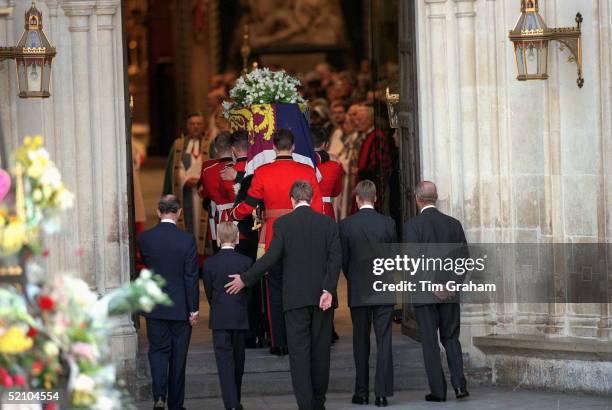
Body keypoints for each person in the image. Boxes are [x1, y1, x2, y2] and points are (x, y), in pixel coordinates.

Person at [226, 180, 342, 410]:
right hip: (323, 298)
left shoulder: (283, 225)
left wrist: (245, 278)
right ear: (309, 198)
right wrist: (328, 289)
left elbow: (270, 258)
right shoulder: (328, 224)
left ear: (292, 199)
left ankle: (306, 406)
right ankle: (319, 403)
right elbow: (335, 259)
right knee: (321, 354)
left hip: (295, 299)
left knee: (299, 355)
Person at [232, 129, 324, 356]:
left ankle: (279, 342)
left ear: (273, 147)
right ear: (293, 147)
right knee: (303, 286)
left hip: (273, 234)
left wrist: (235, 214)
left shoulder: (263, 172)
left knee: (274, 289)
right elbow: (318, 207)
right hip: (302, 233)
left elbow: (250, 203)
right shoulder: (306, 170)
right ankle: (300, 339)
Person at [403, 181, 470, 402]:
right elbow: (464, 260)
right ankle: (460, 386)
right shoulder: (454, 224)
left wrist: (433, 287)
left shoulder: (413, 226)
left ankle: (438, 392)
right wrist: (451, 285)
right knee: (451, 339)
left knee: (430, 343)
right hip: (450, 295)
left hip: (425, 295)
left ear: (417, 200)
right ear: (436, 198)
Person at [137, 195, 200, 410]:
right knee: (178, 356)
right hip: (181, 308)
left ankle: (159, 396)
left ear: (158, 211)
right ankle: (176, 404)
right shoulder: (187, 240)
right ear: (179, 213)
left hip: (155, 306)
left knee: (157, 352)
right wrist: (193, 309)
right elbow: (190, 277)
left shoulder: (145, 239)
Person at [339, 180, 396, 407]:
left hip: (359, 289)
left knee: (360, 342)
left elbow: (344, 260)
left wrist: (353, 277)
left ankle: (361, 393)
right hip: (384, 288)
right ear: (375, 198)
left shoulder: (346, 225)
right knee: (384, 341)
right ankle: (381, 394)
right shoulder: (388, 223)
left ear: (356, 198)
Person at [220, 130, 266, 348]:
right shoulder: (262, 167)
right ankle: (262, 328)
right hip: (263, 232)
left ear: (233, 150)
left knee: (244, 282)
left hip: (243, 233)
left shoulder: (231, 170)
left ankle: (248, 331)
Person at [203, 222, 252, 410]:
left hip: (220, 318)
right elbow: (250, 293)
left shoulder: (209, 263)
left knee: (224, 363)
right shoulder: (245, 262)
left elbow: (208, 291)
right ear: (237, 238)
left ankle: (232, 403)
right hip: (239, 317)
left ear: (218, 238)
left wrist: (217, 306)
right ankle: (234, 400)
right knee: (238, 362)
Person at [162, 112, 213, 258]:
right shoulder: (178, 145)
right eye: (192, 124)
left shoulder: (210, 144)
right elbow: (171, 171)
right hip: (183, 194)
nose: (196, 127)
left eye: (199, 124)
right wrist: (184, 180)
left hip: (202, 194)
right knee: (186, 224)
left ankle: (202, 259)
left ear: (203, 126)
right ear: (187, 125)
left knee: (201, 228)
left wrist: (200, 180)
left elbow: (214, 168)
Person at [354, 106, 394, 212]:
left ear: (370, 120)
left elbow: (379, 164)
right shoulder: (367, 136)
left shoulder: (377, 137)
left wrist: (360, 171)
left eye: (360, 120)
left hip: (374, 186)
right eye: (356, 120)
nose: (357, 123)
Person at [200, 132, 235, 246]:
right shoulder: (239, 167)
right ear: (232, 148)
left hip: (218, 220)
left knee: (220, 255)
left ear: (215, 149)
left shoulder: (207, 171)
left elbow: (204, 195)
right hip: (238, 219)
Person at [312, 126, 344, 220]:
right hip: (325, 210)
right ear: (326, 144)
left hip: (305, 210)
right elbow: (336, 192)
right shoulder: (335, 166)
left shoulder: (301, 162)